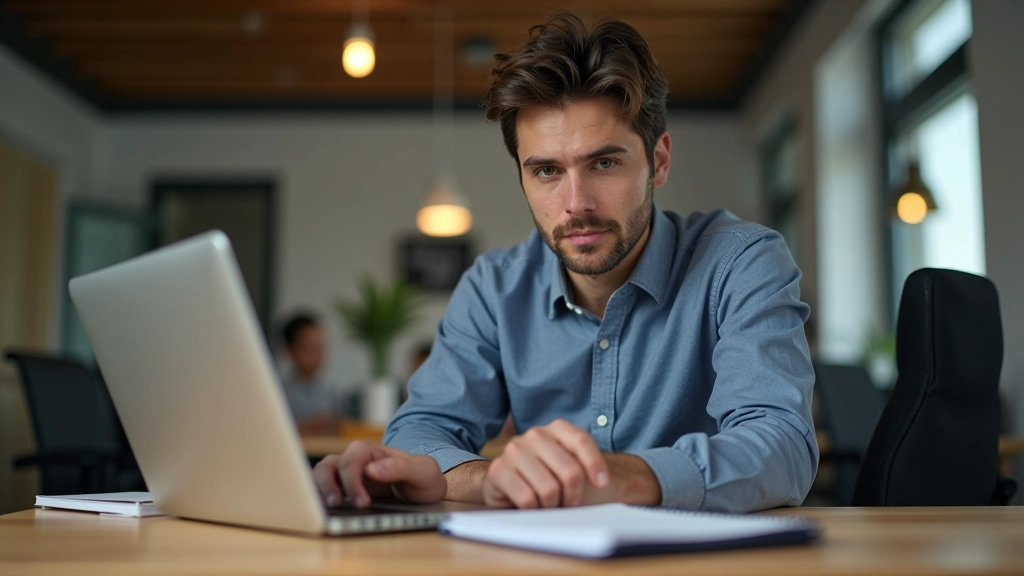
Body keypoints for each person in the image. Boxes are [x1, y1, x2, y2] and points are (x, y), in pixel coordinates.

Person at [313, 13, 818, 512]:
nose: (576, 203)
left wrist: (616, 479)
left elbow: (782, 446)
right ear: (523, 179)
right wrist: (488, 481)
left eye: (604, 163)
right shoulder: (494, 288)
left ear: (658, 162)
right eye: (547, 171)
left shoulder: (741, 262)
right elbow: (418, 435)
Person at [279, 313, 345, 435]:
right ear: (289, 351)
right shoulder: (279, 392)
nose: (317, 355)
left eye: (320, 347)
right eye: (310, 348)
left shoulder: (331, 392)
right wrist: (308, 426)